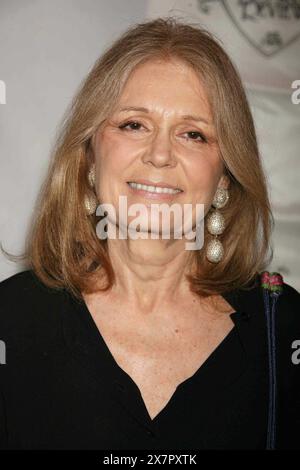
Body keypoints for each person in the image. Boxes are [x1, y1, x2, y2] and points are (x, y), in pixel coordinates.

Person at [0, 16, 299, 450]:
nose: (160, 155)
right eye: (133, 125)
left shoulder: (283, 331)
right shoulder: (11, 323)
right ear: (89, 155)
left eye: (193, 134)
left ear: (224, 177)